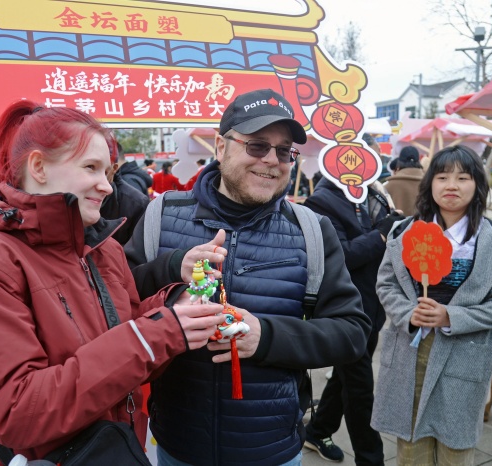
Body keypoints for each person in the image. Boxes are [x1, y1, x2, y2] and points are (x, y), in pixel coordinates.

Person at [0, 102, 225, 465]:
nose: (106, 186)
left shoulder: (102, 249)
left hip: (115, 450)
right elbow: (16, 413)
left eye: (108, 171)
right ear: (38, 167)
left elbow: (129, 341)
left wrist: (175, 308)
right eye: (90, 167)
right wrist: (156, 333)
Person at [125, 88, 371, 466]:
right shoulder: (161, 214)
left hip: (272, 448)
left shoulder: (311, 230)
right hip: (178, 444)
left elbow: (352, 333)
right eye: (257, 146)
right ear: (221, 147)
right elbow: (117, 301)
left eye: (284, 151)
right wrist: (172, 267)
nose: (272, 160)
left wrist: (267, 337)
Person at [372, 145, 492, 465]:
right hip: (412, 350)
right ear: (430, 183)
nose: (452, 185)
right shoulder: (403, 232)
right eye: (443, 176)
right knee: (411, 449)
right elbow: (386, 285)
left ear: (477, 184)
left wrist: (451, 316)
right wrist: (409, 313)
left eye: (463, 178)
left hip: (465, 352)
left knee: (455, 451)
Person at [302, 177, 405, 464]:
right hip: (344, 311)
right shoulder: (321, 201)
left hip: (373, 305)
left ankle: (318, 429)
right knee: (360, 387)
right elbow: (343, 255)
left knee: (345, 375)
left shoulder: (374, 194)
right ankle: (370, 458)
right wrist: (382, 233)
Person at [99, 142, 150, 245]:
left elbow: (138, 249)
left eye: (104, 171)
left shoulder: (134, 201)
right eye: (89, 167)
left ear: (114, 168)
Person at [384, 146, 425, 216]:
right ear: (418, 161)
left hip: (397, 223)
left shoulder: (388, 186)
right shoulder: (430, 183)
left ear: (399, 163)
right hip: (426, 223)